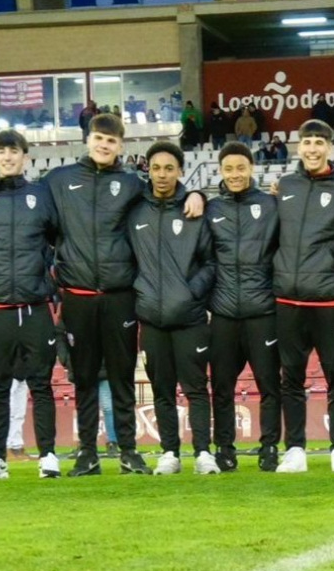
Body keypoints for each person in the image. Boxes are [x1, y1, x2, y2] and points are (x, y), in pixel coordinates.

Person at [40, 111, 179, 476]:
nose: (104, 145)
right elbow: (29, 210)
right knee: (84, 377)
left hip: (120, 296)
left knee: (121, 376)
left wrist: (194, 193)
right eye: (99, 138)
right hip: (77, 295)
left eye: (111, 141)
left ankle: (128, 451)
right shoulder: (58, 180)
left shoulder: (132, 184)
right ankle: (87, 452)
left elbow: (165, 199)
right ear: (88, 139)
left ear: (121, 145)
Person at [0, 129, 61, 480]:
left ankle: (48, 455)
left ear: (25, 157)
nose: (7, 157)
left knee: (41, 384)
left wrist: (51, 282)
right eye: (1, 152)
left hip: (35, 306)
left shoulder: (41, 195)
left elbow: (59, 240)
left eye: (13, 151)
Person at [125, 142, 216, 475]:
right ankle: (169, 453)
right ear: (147, 171)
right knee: (161, 390)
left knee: (195, 389)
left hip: (190, 318)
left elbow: (210, 262)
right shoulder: (135, 213)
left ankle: (203, 453)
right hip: (151, 318)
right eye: (156, 168)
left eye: (168, 168)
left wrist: (191, 293)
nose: (162, 175)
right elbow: (127, 260)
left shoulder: (194, 210)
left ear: (180, 171)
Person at [272, 120, 334, 473]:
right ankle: (295, 448)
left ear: (330, 148)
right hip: (288, 299)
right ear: (298, 147)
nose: (312, 149)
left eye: (319, 143)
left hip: (330, 299)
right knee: (291, 377)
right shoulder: (285, 186)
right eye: (306, 142)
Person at [204, 142, 282, 472]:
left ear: (251, 168)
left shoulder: (271, 205)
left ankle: (269, 448)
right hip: (223, 313)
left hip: (262, 311)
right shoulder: (210, 209)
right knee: (222, 387)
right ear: (220, 171)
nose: (235, 174)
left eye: (240, 168)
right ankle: (224, 448)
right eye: (228, 169)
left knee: (269, 385)